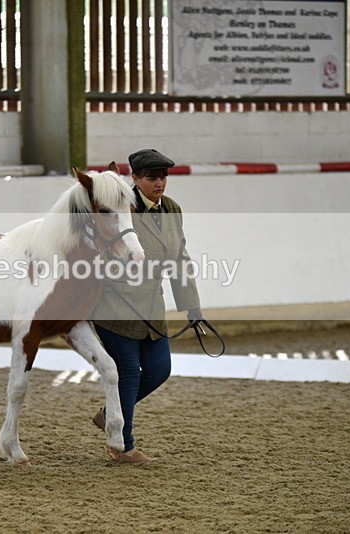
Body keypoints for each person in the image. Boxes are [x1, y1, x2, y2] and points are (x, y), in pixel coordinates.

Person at [92, 148, 203, 464]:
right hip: (116, 304)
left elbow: (180, 258)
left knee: (158, 370)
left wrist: (192, 307)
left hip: (152, 306)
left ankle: (109, 413)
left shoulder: (172, 210)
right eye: (152, 177)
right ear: (135, 178)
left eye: (163, 177)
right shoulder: (119, 208)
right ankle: (123, 446)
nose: (160, 183)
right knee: (129, 373)